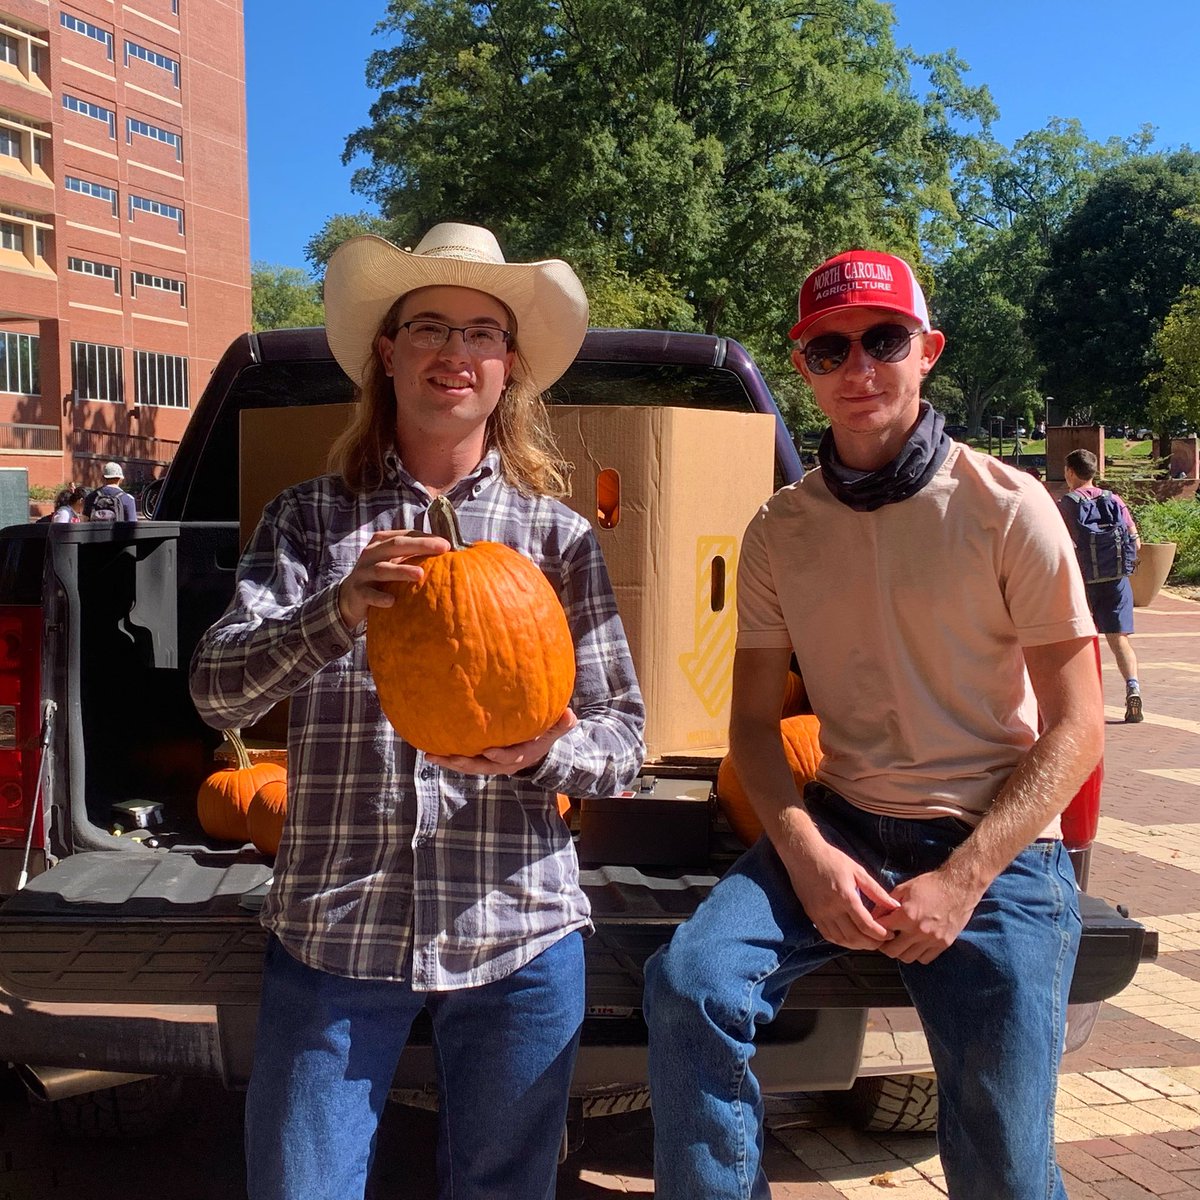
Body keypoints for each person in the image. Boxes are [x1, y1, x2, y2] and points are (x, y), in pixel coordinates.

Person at [189, 222, 645, 1200]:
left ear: (507, 366)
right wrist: (337, 607)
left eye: (481, 332)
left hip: (516, 933)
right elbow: (217, 688)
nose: (455, 350)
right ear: (387, 355)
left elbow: (623, 741)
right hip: (336, 934)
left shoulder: (555, 537)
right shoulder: (309, 522)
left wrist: (545, 751)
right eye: (429, 326)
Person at [644, 249, 1103, 1200]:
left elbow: (1078, 727)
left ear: (927, 349)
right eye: (829, 349)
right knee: (689, 986)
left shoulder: (1011, 509)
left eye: (883, 341)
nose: (858, 370)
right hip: (844, 821)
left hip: (998, 848)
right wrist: (806, 855)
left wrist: (963, 877)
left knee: (1007, 1163)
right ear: (802, 366)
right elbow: (755, 732)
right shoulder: (780, 529)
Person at [1060, 448, 1144, 723]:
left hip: (1082, 581)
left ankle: (1083, 703)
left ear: (1071, 472)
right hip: (1116, 579)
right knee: (1119, 639)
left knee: (1079, 641)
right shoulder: (1114, 500)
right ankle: (1133, 686)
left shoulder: (1067, 504)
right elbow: (1135, 540)